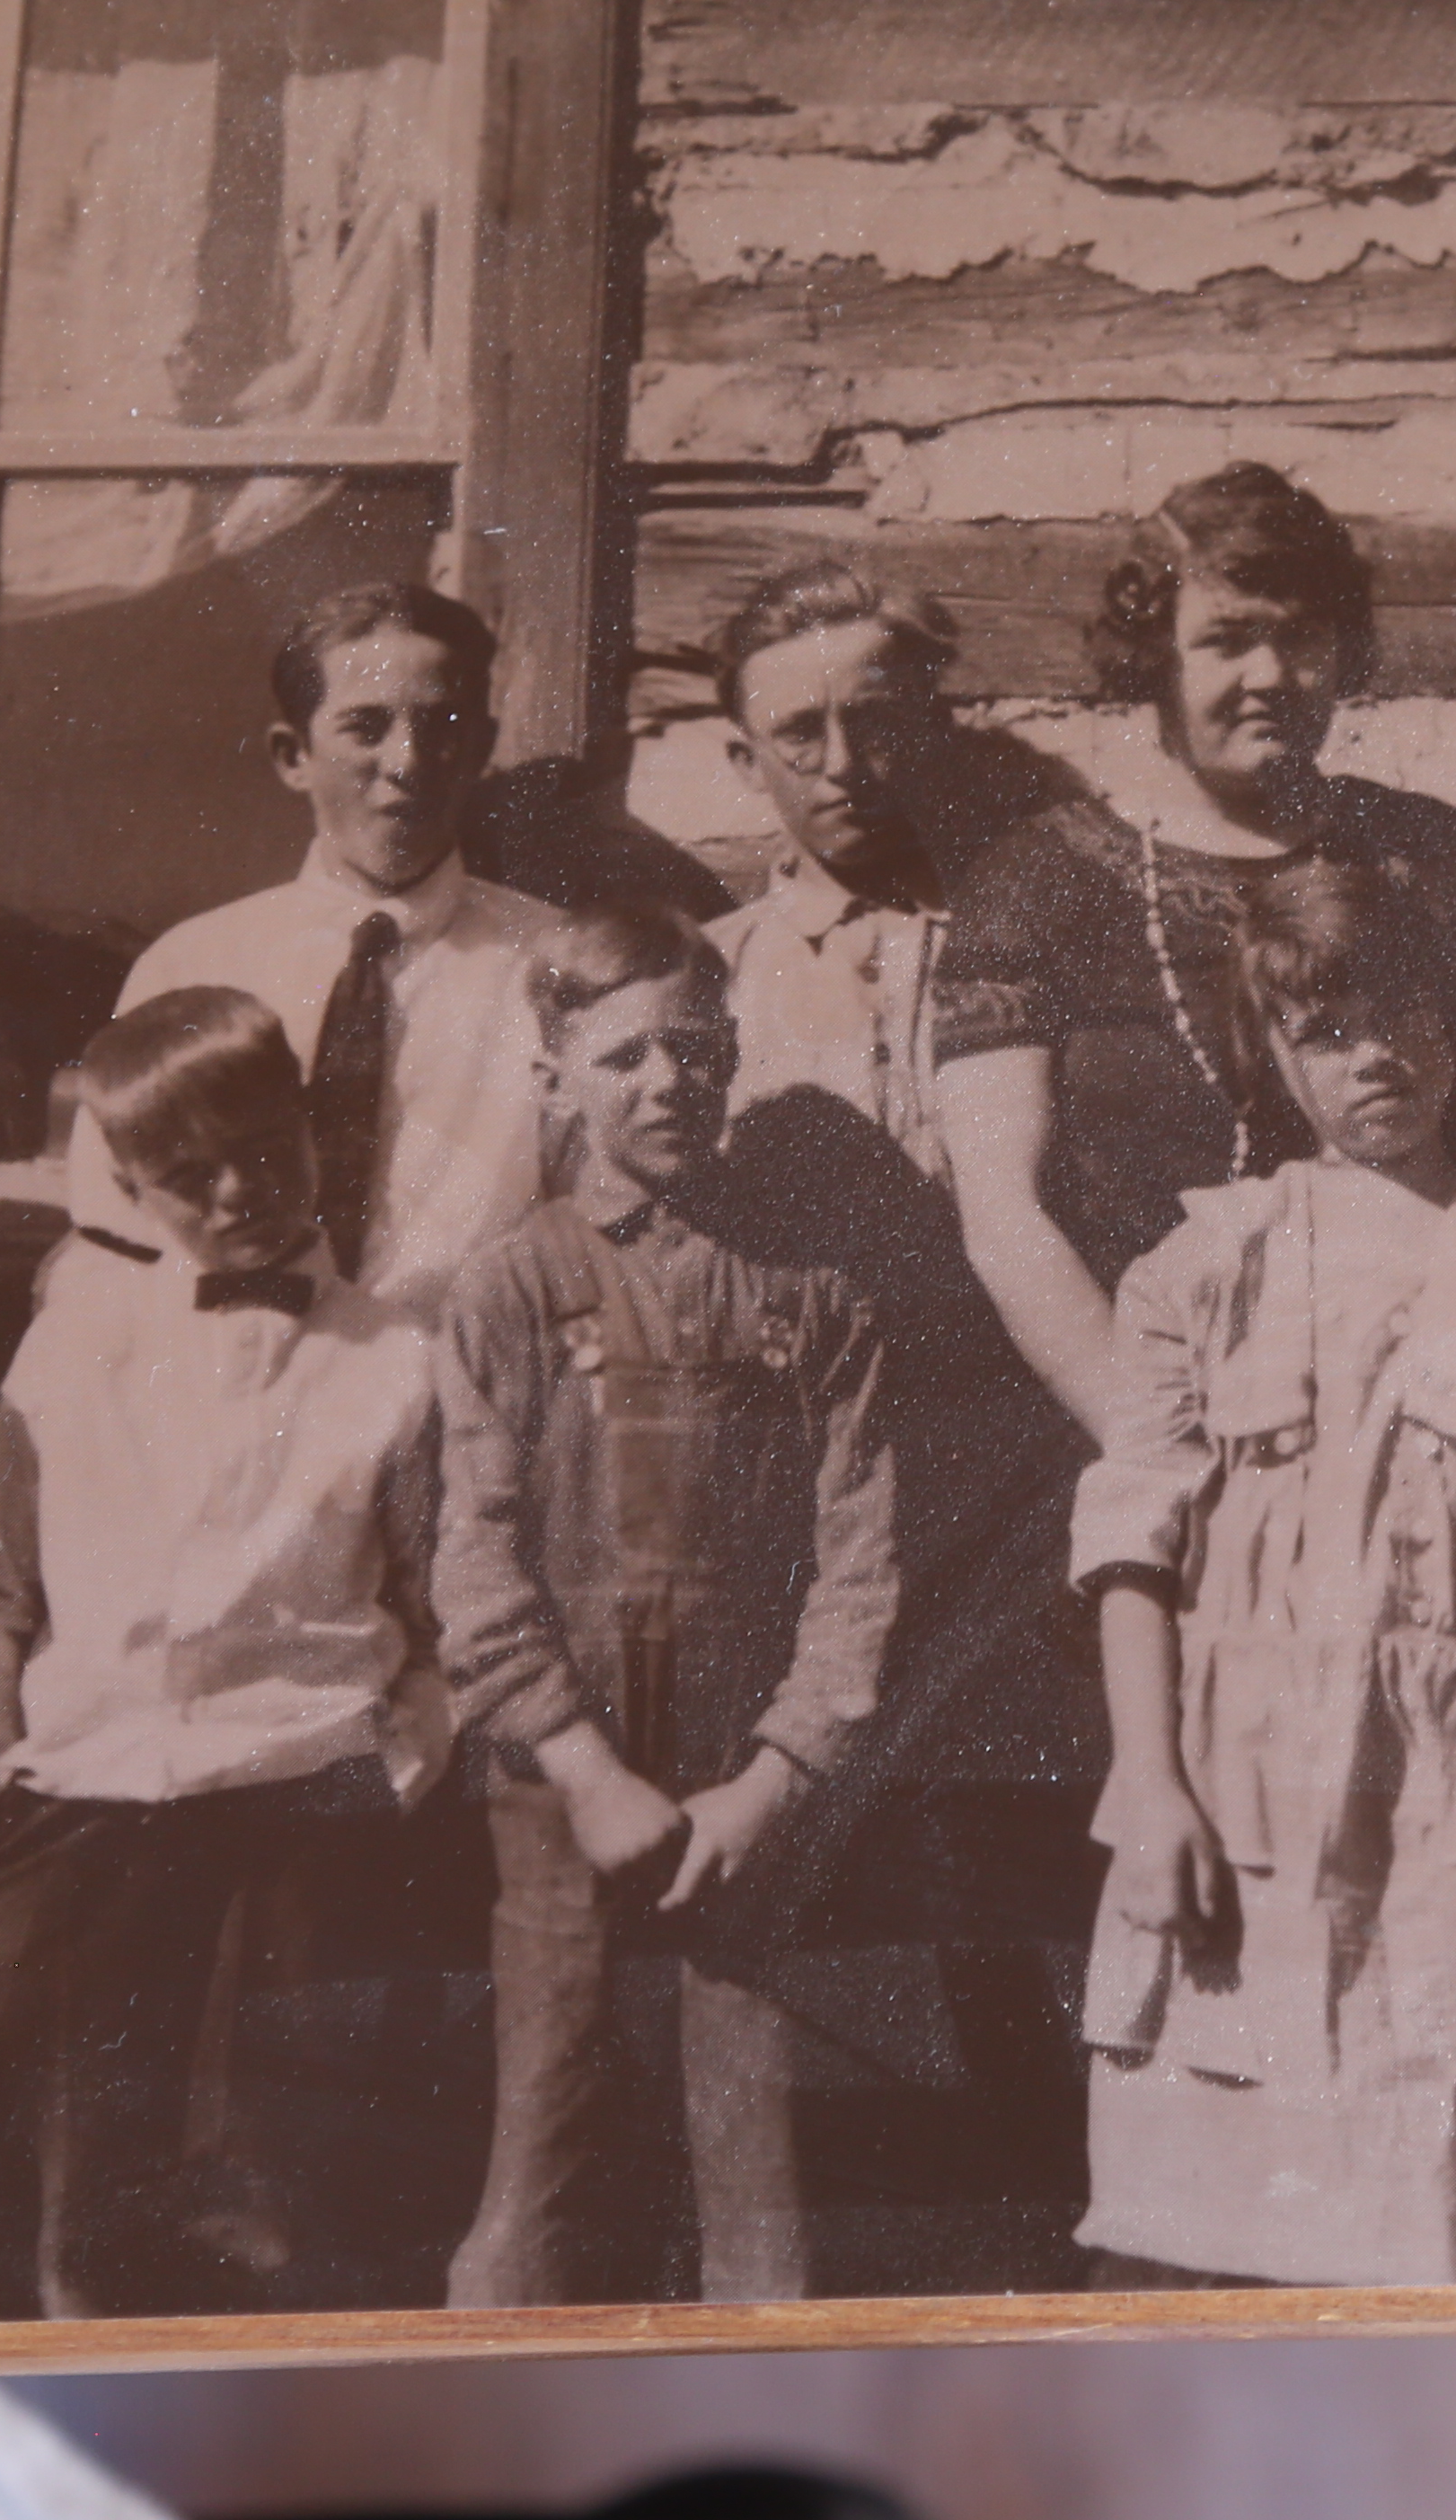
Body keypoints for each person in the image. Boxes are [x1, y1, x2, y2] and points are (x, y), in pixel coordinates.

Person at [1071, 859, 1456, 2288]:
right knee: (1232, 2200)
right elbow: (1133, 1540)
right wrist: (1152, 1788)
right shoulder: (1205, 1266)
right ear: (1270, 1058)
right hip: (1245, 1785)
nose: (1375, 1058)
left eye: (1399, 1014)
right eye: (1325, 1031)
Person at [695, 553, 1102, 2292]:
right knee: (779, 1849)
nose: (844, 758)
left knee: (1053, 1869)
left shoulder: (1045, 930)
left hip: (1028, 1468)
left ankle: (1081, 2231)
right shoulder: (708, 980)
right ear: (743, 759)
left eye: (878, 715)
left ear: (936, 718)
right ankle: (761, 2274)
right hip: (822, 1488)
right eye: (799, 729)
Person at [0, 989, 476, 2317]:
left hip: (304, 1807)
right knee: (90, 2188)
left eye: (266, 1148)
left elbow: (439, 1610)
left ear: (314, 1129)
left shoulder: (395, 1361)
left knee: (293, 2180)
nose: (241, 1192)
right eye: (190, 1177)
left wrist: (395, 1768)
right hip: (93, 1805)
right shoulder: (71, 1345)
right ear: (130, 1187)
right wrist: (3, 1767)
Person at [435, 906, 900, 2308]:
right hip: (562, 1801)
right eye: (625, 1055)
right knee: (548, 2137)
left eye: (696, 1052)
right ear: (555, 1079)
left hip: (746, 1801)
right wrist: (579, 1769)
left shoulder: (813, 1295)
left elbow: (859, 1561)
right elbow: (472, 1559)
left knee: (752, 2161)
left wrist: (776, 1776)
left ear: (736, 1059)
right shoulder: (510, 1288)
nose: (666, 1085)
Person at [937, 465, 1456, 1461]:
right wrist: (1160, 1452)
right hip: (1130, 1432)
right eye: (1227, 640)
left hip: (1424, 1424)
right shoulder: (1035, 886)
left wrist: (1446, 1401)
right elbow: (1005, 1217)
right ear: (1154, 659)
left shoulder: (1434, 858)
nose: (1271, 676)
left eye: (1300, 637)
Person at [111, 582, 564, 1311]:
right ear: (293, 755)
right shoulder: (189, 965)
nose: (408, 761)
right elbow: (116, 1224)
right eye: (366, 727)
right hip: (236, 1377)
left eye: (441, 725)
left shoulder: (555, 962)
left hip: (474, 1384)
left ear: (480, 748)